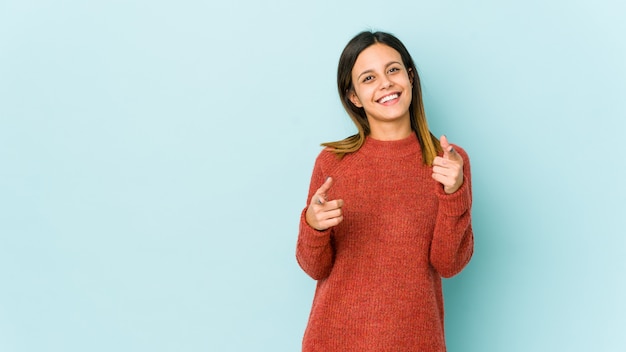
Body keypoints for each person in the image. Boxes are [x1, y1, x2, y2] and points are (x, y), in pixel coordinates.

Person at [295, 31, 474, 351]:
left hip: (415, 341)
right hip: (334, 341)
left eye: (393, 70)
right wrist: (313, 225)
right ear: (353, 97)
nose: (385, 83)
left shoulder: (448, 162)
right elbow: (314, 268)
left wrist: (454, 192)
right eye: (368, 77)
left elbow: (449, 263)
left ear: (410, 76)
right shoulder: (333, 163)